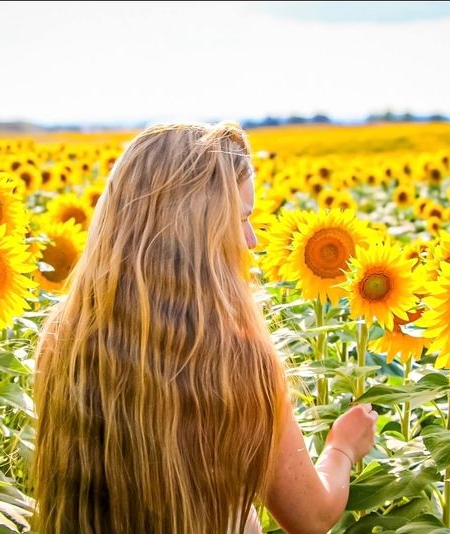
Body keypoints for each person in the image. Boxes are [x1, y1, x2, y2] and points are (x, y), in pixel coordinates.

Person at [33, 122, 378, 534]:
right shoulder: (236, 357)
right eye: (243, 218)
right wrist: (342, 446)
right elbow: (312, 515)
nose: (251, 240)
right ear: (201, 231)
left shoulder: (65, 339)